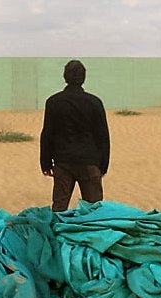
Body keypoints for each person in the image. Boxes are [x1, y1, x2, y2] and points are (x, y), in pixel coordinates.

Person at [40, 60, 110, 212]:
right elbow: (103, 136)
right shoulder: (94, 102)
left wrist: (45, 163)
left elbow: (47, 134)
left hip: (63, 162)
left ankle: (57, 234)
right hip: (90, 162)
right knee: (94, 211)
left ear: (65, 77)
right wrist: (103, 165)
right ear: (84, 78)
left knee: (59, 208)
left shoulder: (53, 102)